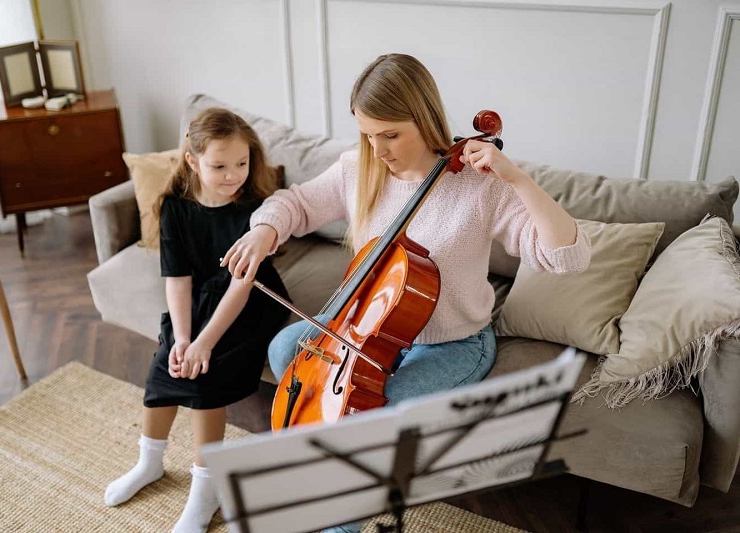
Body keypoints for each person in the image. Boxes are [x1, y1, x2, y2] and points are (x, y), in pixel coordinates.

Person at [221, 53, 591, 533]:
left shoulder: (481, 186)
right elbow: (296, 203)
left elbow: (569, 257)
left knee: (364, 423)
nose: (378, 150)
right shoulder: (360, 168)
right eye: (367, 135)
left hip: (452, 344)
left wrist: (517, 178)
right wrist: (263, 232)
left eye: (390, 135)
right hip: (364, 333)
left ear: (424, 118)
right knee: (284, 348)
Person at [104, 108, 290, 533]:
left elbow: (241, 287)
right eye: (219, 166)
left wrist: (205, 343)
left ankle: (205, 492)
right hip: (201, 296)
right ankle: (148, 463)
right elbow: (177, 280)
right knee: (167, 359)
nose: (233, 175)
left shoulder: (255, 210)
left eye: (241, 164)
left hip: (252, 300)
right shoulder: (174, 208)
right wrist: (185, 338)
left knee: (205, 373)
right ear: (192, 161)